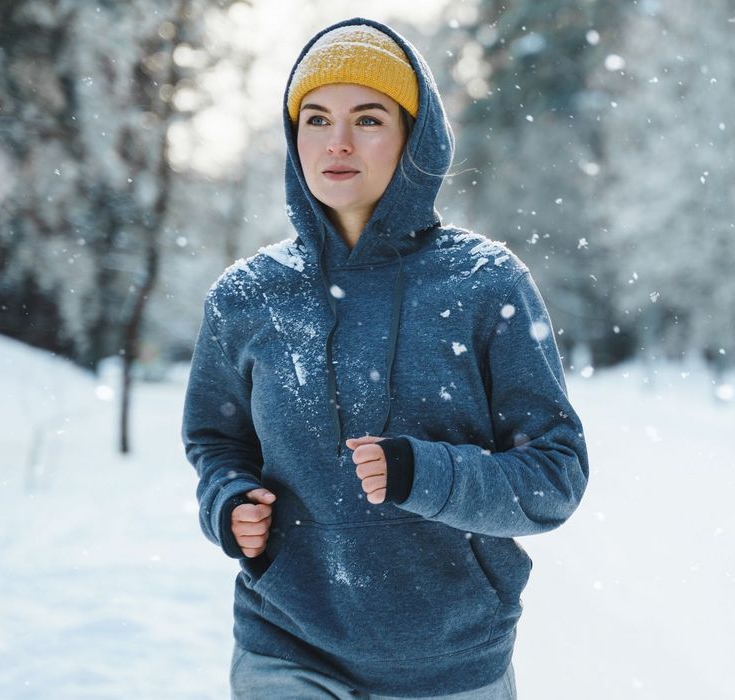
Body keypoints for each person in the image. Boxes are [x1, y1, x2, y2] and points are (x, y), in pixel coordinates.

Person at [181, 18, 589, 699]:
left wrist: (424, 472)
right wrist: (227, 503)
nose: (337, 142)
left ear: (413, 138)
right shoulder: (246, 297)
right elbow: (215, 440)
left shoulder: (487, 284)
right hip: (287, 644)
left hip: (451, 662)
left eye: (367, 119)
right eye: (316, 119)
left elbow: (555, 475)